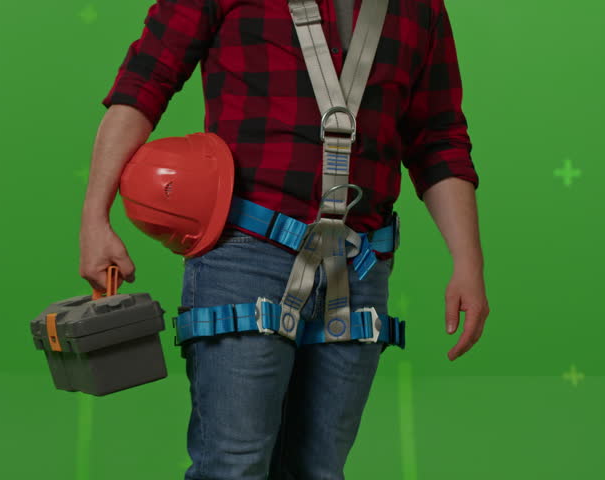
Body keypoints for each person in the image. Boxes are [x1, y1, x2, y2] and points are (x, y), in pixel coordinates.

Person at [79, 0, 490, 478]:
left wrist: (468, 262)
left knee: (320, 470)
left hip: (359, 265)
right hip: (243, 256)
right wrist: (95, 219)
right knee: (233, 467)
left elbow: (438, 137)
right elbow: (144, 84)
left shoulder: (420, 7)